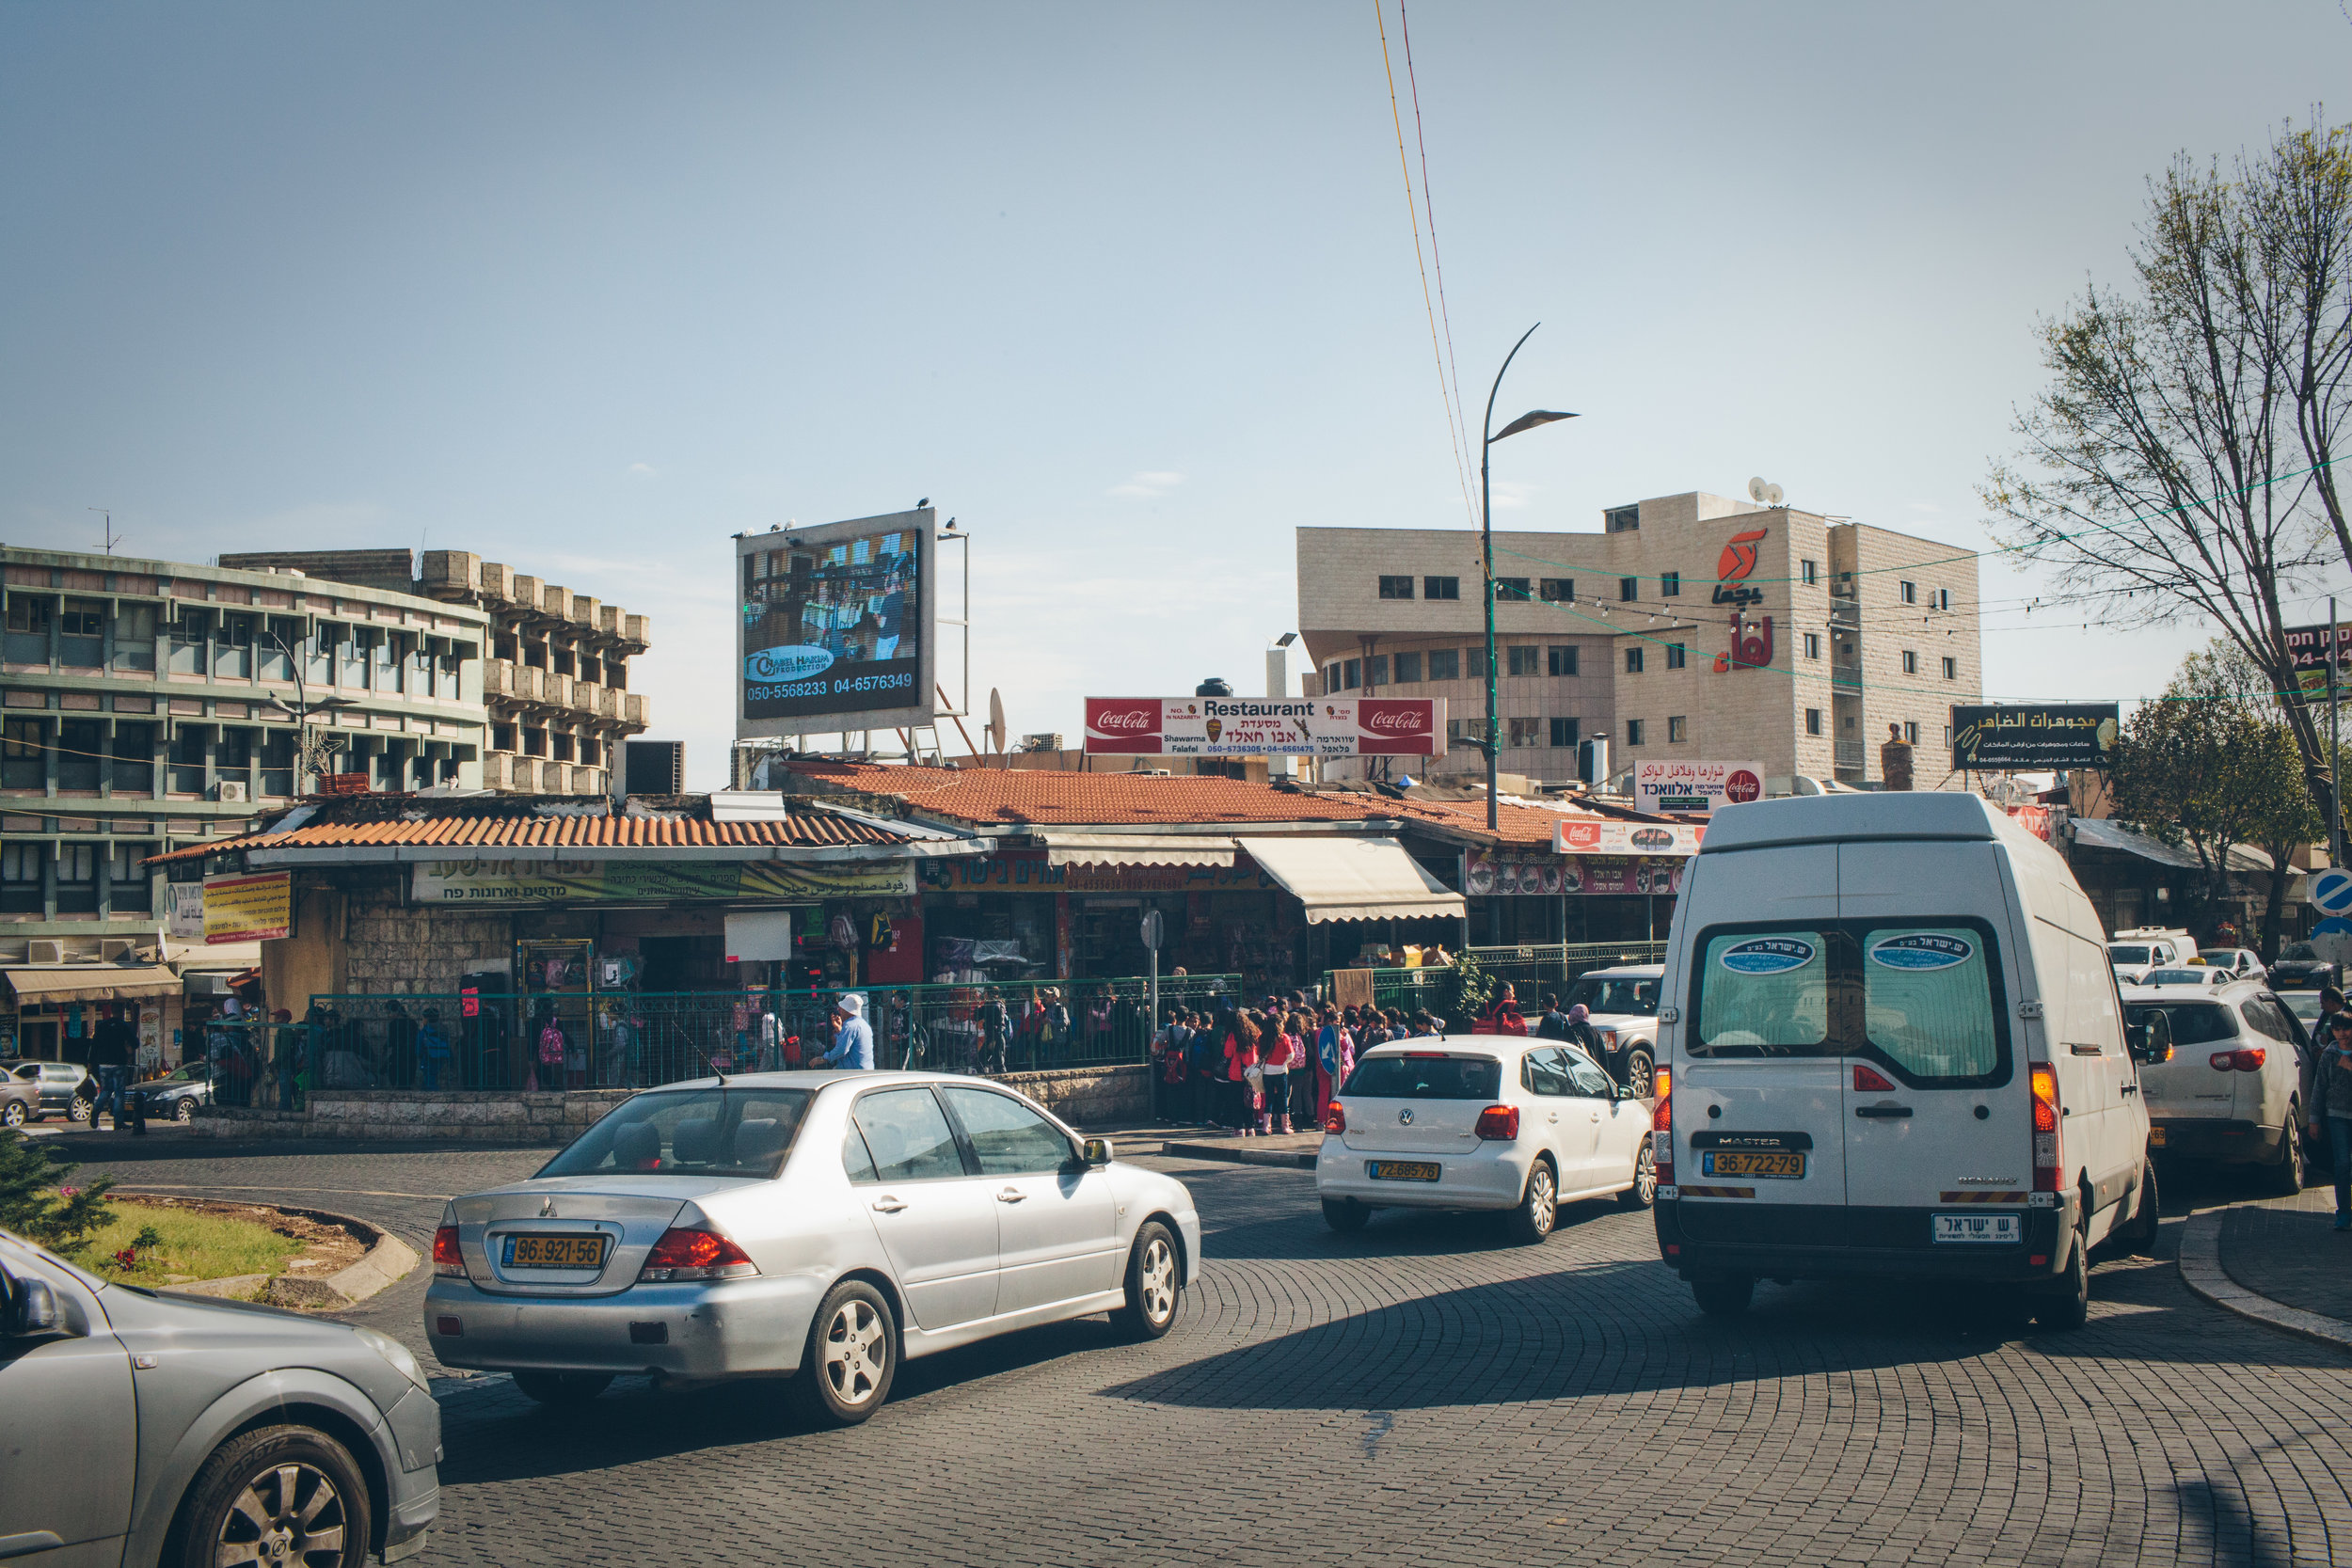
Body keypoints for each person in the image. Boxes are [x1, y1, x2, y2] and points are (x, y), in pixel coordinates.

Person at [2323, 1014, 2352, 1230]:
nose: (2343, 1033)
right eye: (2338, 1029)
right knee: (2342, 1164)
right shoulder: (2330, 1054)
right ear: (2332, 1031)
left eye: (2347, 1029)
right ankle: (2343, 1212)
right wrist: (2314, 1120)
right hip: (2337, 1115)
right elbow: (2319, 1088)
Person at [88, 1006, 134, 1129]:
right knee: (119, 1093)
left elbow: (94, 1046)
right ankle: (118, 1122)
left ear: (111, 1012)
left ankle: (95, 1111)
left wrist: (91, 1062)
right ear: (122, 1013)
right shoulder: (123, 1026)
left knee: (106, 1090)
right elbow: (135, 1042)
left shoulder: (102, 1026)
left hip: (103, 1063)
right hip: (119, 1062)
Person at [1260, 1017, 1298, 1135]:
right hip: (1281, 1071)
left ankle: (1266, 1126)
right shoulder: (1284, 1038)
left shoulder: (1262, 1038)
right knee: (1283, 1098)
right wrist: (1283, 1062)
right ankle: (1285, 1126)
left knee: (1269, 1099)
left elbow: (1259, 1054)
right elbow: (1291, 1055)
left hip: (1267, 1072)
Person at [1152, 1008, 1192, 1122]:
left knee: (1171, 1090)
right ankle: (1182, 1116)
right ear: (1187, 1018)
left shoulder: (1168, 1030)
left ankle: (1171, 1116)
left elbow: (1159, 1042)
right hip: (1184, 1063)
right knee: (1183, 1090)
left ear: (1176, 1018)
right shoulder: (1190, 1032)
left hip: (1170, 1064)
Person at [819, 993, 877, 1070]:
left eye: (841, 1008)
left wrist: (824, 1058)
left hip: (853, 1073)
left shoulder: (850, 1026)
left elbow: (841, 1050)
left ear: (848, 1011)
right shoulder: (864, 1024)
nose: (839, 1010)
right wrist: (839, 1029)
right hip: (865, 1070)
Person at [417, 1007, 453, 1091]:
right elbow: (448, 1044)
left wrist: (420, 1056)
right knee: (434, 1077)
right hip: (441, 1057)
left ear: (426, 1019)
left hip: (428, 1057)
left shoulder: (425, 1030)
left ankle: (430, 1095)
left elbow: (419, 1046)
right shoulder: (443, 1029)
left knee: (429, 1078)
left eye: (423, 1018)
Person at [1564, 1004, 1606, 1069]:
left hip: (1579, 1071)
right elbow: (1603, 1056)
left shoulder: (1569, 1032)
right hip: (1595, 1071)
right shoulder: (1596, 1031)